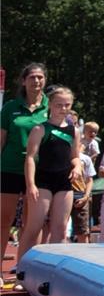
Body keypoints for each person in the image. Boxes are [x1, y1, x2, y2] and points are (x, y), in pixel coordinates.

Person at [16, 87, 82, 265]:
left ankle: (52, 270)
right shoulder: (40, 129)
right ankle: (22, 270)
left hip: (64, 183)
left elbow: (75, 156)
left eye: (67, 105)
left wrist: (77, 167)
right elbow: (30, 157)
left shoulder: (74, 131)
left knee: (60, 230)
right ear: (50, 105)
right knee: (34, 227)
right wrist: (31, 185)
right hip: (43, 182)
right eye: (59, 104)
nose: (63, 108)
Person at [1, 64, 49, 270]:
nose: (36, 81)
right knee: (4, 220)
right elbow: (1, 140)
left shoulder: (51, 107)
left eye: (40, 77)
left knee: (32, 224)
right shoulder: (11, 108)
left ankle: (25, 270)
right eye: (32, 77)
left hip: (39, 172)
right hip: (9, 168)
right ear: (23, 81)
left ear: (45, 81)